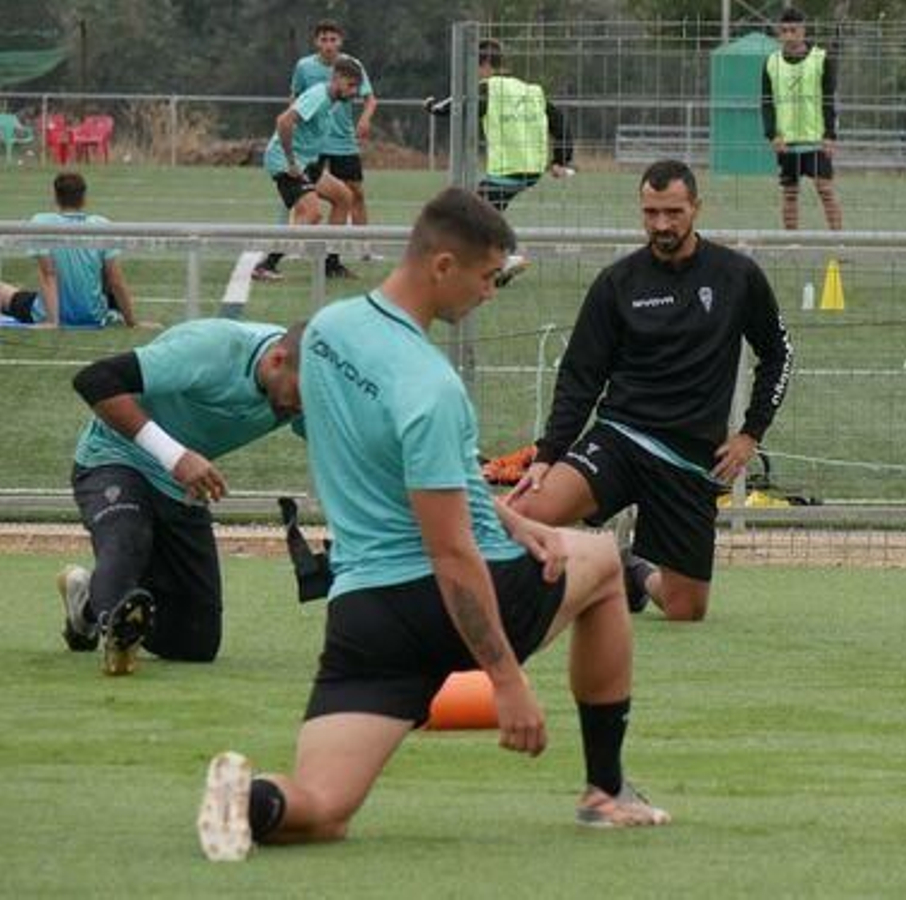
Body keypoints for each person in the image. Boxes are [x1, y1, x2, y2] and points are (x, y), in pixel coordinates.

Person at [194, 188, 669, 864]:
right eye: (487, 276)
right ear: (443, 266)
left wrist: (505, 517)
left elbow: (394, 467)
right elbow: (450, 550)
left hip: (364, 613)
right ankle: (606, 790)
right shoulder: (432, 386)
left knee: (323, 809)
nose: (489, 293)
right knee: (598, 558)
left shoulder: (326, 333)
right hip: (444, 598)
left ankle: (249, 801)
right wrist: (506, 680)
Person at [505, 160, 794, 622]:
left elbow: (780, 353)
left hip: (690, 460)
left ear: (696, 208)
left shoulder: (736, 276)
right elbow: (580, 376)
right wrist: (547, 453)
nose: (662, 225)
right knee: (523, 510)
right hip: (621, 438)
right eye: (651, 212)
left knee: (686, 609)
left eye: (673, 212)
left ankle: (628, 571)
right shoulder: (617, 283)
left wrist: (750, 433)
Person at [57, 319, 305, 676]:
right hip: (114, 457)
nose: (302, 406)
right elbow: (94, 380)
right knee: (126, 540)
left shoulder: (305, 388)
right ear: (277, 361)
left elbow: (342, 449)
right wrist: (175, 456)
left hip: (180, 489)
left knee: (196, 644)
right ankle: (118, 627)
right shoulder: (213, 347)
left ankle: (86, 604)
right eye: (300, 393)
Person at [423, 38, 574, 212]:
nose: (474, 74)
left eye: (474, 67)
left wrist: (434, 108)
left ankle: (491, 238)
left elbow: (460, 104)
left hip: (507, 173)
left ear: (486, 63)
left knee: (472, 216)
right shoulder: (531, 91)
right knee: (479, 214)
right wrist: (560, 160)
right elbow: (560, 122)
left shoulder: (488, 89)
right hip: (533, 170)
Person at [253, 55, 364, 282]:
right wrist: (291, 162)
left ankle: (330, 265)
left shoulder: (331, 100)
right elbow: (284, 121)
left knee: (344, 196)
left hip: (306, 161)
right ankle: (266, 265)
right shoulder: (319, 96)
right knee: (311, 214)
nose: (353, 92)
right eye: (350, 85)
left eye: (356, 87)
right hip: (285, 161)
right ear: (336, 78)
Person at [0, 172, 144, 328]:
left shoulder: (41, 222)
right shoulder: (101, 225)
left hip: (50, 311)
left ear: (55, 196)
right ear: (84, 198)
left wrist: (52, 321)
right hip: (93, 314)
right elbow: (115, 280)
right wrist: (132, 322)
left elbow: (49, 273)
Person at [290, 19, 378, 237]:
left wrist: (365, 119)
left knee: (355, 193)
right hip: (313, 142)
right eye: (324, 40)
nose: (328, 44)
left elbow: (370, 99)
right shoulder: (304, 67)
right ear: (316, 42)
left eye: (333, 39)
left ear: (340, 41)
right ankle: (295, 243)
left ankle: (362, 246)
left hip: (343, 141)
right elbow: (295, 98)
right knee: (302, 195)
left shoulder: (351, 65)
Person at [761, 7, 843, 231]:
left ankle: (839, 241)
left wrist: (829, 135)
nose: (789, 35)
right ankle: (791, 242)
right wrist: (772, 134)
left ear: (803, 31)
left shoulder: (820, 58)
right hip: (786, 142)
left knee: (825, 190)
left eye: (793, 30)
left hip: (815, 140)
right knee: (789, 193)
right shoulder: (771, 62)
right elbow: (766, 103)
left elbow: (829, 100)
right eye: (784, 30)